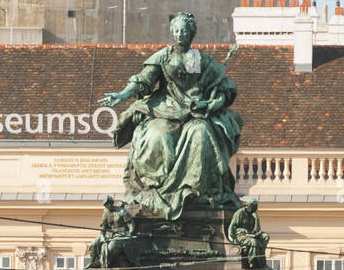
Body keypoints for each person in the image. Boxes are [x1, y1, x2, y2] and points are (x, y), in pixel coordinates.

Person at [100, 11, 242, 221]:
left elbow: (223, 89)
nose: (179, 34)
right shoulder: (164, 56)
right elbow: (143, 80)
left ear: (191, 33)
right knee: (157, 135)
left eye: (184, 30)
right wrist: (122, 95)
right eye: (176, 30)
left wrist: (211, 104)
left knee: (201, 133)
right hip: (165, 108)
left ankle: (192, 191)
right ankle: (157, 187)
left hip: (195, 113)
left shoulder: (200, 59)